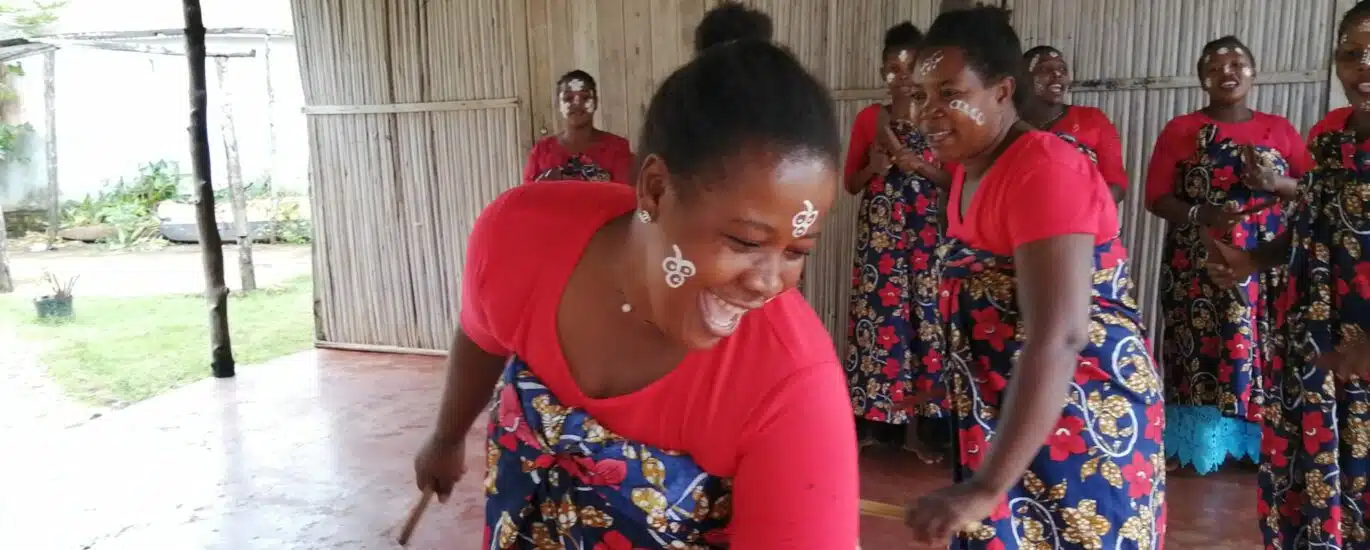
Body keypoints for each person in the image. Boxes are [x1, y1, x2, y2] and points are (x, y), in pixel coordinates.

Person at [412, 4, 860, 548]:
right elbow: (484, 334)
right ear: (654, 189)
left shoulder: (793, 388)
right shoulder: (520, 234)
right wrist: (446, 436)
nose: (769, 282)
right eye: (745, 241)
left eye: (797, 250)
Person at [900, 7, 1165, 548]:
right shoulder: (967, 174)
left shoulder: (1043, 167)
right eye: (920, 94)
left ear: (1002, 91)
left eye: (950, 94)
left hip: (1084, 428)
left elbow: (1061, 334)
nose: (928, 112)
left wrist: (988, 485)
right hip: (1012, 427)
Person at [1204, 2, 1370, 545]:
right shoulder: (1329, 137)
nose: (1364, 66)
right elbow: (1314, 224)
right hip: (1313, 336)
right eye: (1351, 54)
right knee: (1310, 476)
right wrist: (1254, 259)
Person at [1143, 36, 1309, 476]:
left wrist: (1276, 182)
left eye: (1238, 63)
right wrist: (1203, 212)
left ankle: (1260, 443)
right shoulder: (1180, 129)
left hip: (1264, 259)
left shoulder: (1280, 129)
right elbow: (1156, 198)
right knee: (1199, 344)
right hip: (1196, 257)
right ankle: (1200, 446)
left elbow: (1312, 191)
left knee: (1263, 342)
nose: (1227, 72)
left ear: (1254, 74)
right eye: (1215, 66)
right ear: (1202, 78)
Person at [842, 21, 953, 461]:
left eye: (909, 67)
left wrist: (917, 165)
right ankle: (879, 427)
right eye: (892, 68)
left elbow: (956, 181)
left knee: (926, 323)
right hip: (881, 243)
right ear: (882, 72)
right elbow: (850, 184)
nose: (901, 77)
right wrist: (874, 166)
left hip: (926, 237)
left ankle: (927, 430)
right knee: (881, 324)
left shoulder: (941, 119)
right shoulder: (871, 119)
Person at [1019, 46, 1128, 202]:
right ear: (1023, 79)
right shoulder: (1010, 125)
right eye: (1044, 69)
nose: (1057, 75)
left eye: (1062, 69)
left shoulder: (1092, 120)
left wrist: (1082, 211)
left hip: (1086, 221)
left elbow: (1116, 183)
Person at [522, 70, 634, 183]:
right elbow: (528, 196)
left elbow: (624, 196)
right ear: (558, 105)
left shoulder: (617, 149)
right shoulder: (541, 152)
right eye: (568, 98)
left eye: (585, 98)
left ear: (595, 102)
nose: (576, 104)